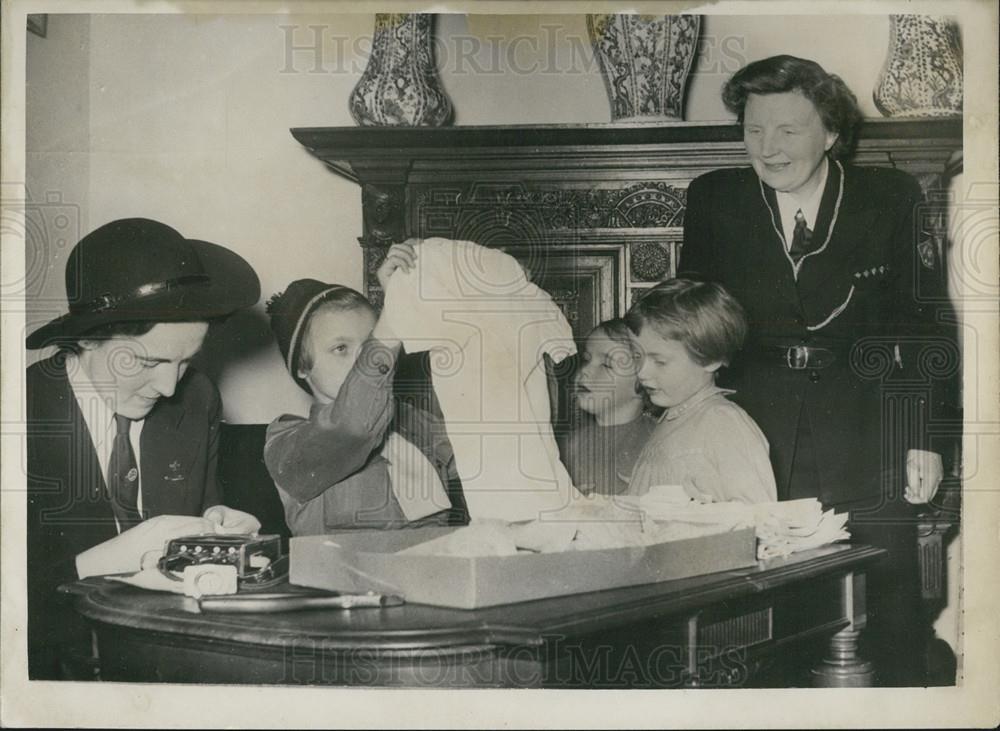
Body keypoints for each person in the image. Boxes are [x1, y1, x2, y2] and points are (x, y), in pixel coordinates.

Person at [678, 55, 958, 684]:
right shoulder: (714, 198)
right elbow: (689, 321)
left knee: (887, 622)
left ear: (831, 133)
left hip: (869, 431)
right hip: (751, 435)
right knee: (764, 624)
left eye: (788, 130)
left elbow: (924, 330)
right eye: (754, 130)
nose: (768, 149)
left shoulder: (890, 198)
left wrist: (926, 437)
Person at [25, 217, 263, 679]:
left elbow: (202, 521)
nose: (170, 386)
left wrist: (224, 536)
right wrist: (98, 562)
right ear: (87, 338)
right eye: (149, 361)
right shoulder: (18, 410)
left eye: (185, 361)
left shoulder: (197, 399)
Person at [263, 242, 468, 535]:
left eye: (370, 342)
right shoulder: (286, 441)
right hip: (339, 579)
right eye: (341, 348)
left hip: (431, 570)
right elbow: (353, 424)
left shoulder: (417, 423)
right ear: (302, 367)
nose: (363, 358)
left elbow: (490, 455)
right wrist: (390, 321)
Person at [625, 279, 777, 504]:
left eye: (660, 361)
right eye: (637, 356)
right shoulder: (673, 416)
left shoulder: (723, 422)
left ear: (710, 359)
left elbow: (757, 513)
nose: (642, 372)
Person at [562, 319, 657, 495]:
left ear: (643, 381)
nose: (585, 371)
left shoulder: (655, 441)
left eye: (606, 364)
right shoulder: (570, 444)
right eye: (586, 360)